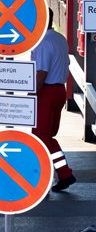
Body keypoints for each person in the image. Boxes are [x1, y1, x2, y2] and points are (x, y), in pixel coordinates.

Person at [32, 12, 77, 192]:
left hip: (47, 92)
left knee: (41, 136)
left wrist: (29, 96)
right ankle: (62, 172)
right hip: (59, 90)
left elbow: (41, 74)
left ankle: (59, 174)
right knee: (47, 136)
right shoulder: (59, 38)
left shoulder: (43, 42)